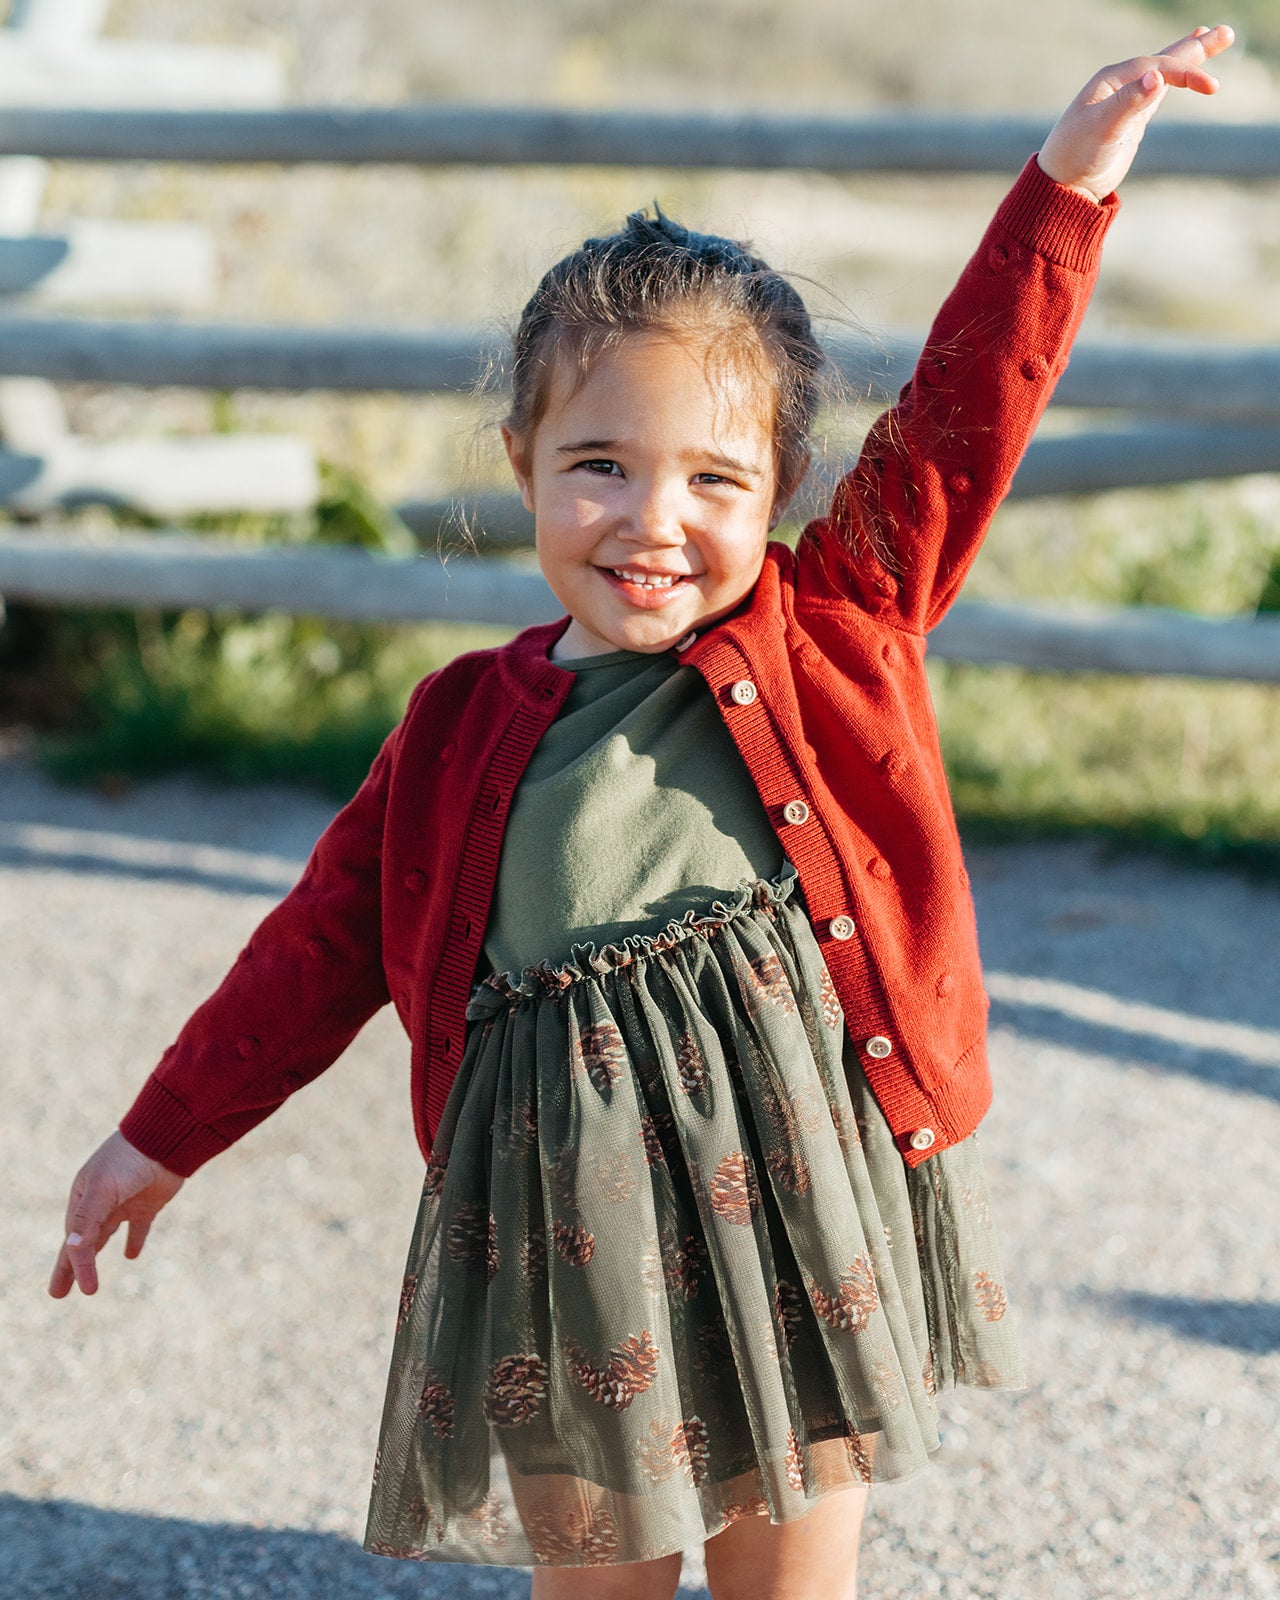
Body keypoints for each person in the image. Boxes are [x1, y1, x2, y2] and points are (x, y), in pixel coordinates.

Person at [49, 26, 1233, 1600]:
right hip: (561, 1247)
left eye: (713, 481)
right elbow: (317, 949)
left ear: (785, 481)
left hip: (797, 1225)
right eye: (599, 464)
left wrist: (1067, 189)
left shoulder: (837, 627)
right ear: (523, 461)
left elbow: (969, 410)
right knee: (595, 1582)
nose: (651, 522)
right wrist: (162, 1133)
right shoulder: (457, 724)